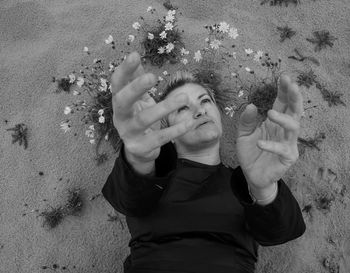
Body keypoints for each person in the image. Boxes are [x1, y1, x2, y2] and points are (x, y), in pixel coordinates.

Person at [101, 51, 306, 273]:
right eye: (182, 108)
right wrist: (139, 158)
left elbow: (280, 233)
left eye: (205, 101)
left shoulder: (245, 183)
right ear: (167, 127)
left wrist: (264, 190)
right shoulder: (152, 176)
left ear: (217, 112)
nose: (199, 111)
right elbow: (128, 199)